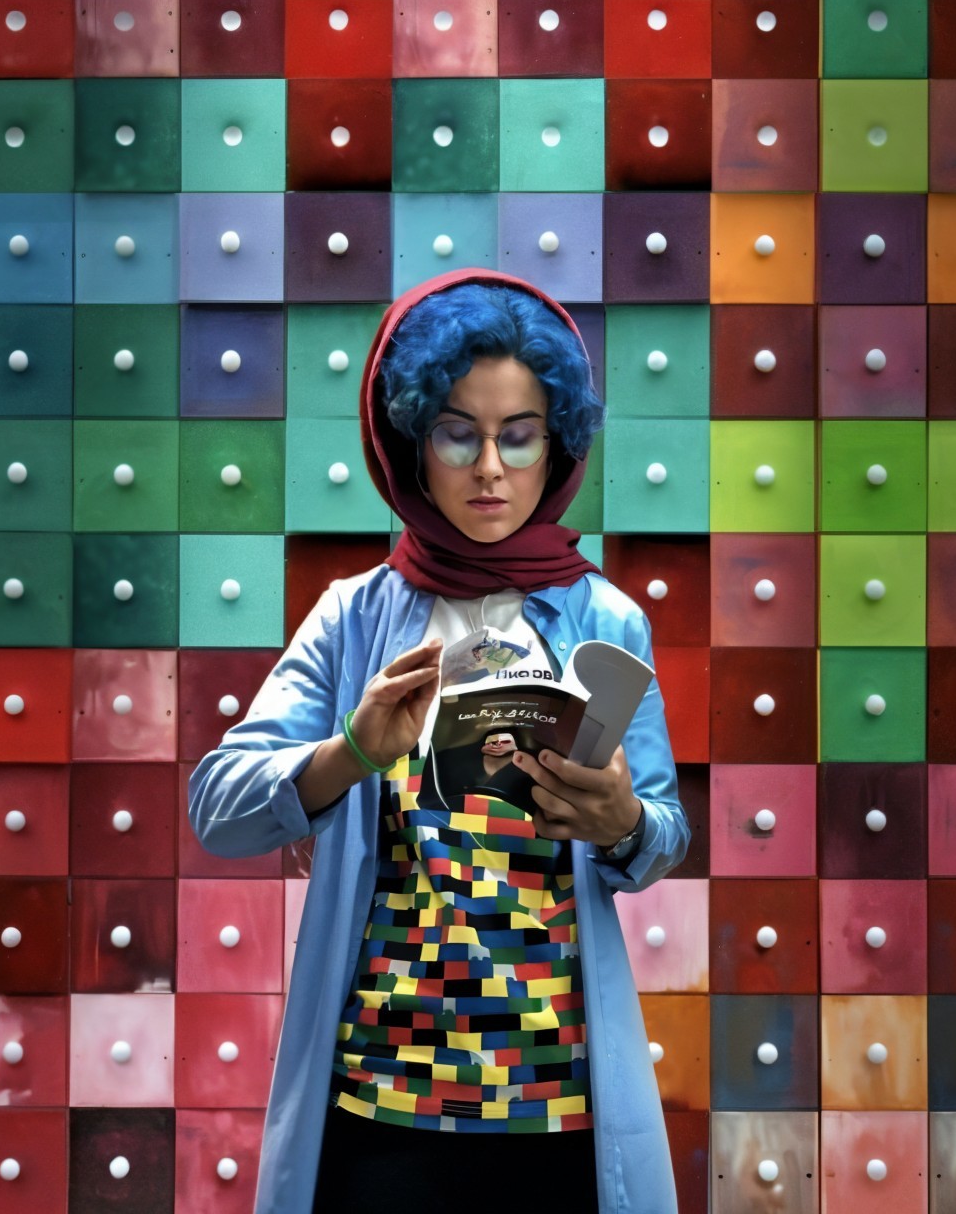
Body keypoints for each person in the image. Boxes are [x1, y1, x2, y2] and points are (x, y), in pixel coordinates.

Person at [187, 266, 689, 1214]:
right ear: (413, 444)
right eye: (458, 432)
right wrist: (352, 752)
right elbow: (217, 808)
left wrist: (624, 819)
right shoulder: (353, 617)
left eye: (519, 435)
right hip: (382, 1105)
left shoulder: (607, 621)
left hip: (557, 1104)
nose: (489, 467)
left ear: (558, 446)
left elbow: (660, 834)